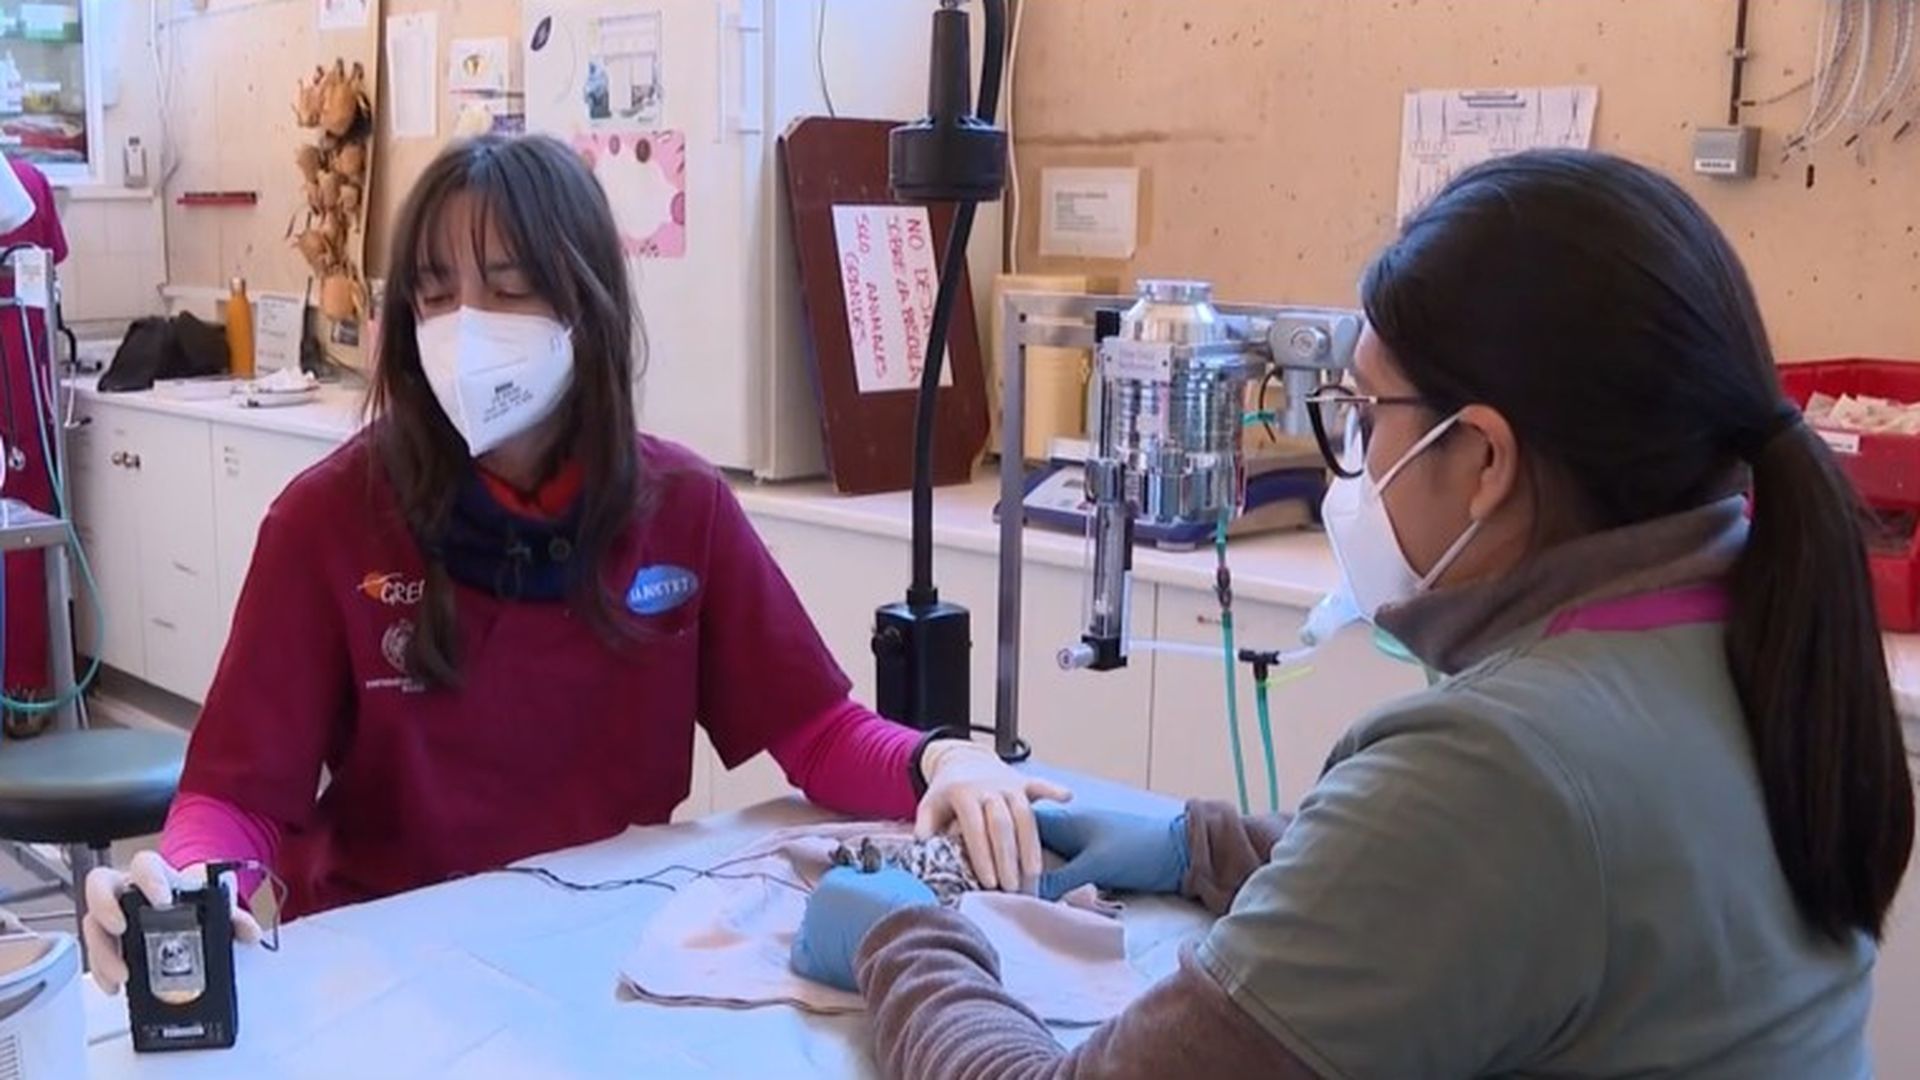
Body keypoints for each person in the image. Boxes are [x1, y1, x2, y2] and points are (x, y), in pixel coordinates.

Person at [789, 149, 1915, 1078]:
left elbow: (1488, 842)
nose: (1353, 461)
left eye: (1363, 415)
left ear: (1481, 456)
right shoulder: (1757, 630)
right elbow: (1511, 902)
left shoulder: (1499, 764)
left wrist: (908, 943)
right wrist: (1205, 846)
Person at [81, 134, 1067, 991]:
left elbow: (815, 731)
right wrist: (189, 885)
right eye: (434, 296)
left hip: (611, 946)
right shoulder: (327, 521)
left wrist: (944, 759)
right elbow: (236, 799)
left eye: (508, 290)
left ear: (585, 304)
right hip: (386, 954)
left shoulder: (684, 508)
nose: (467, 327)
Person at [0, 152, 67, 733]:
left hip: (17, 371)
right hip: (23, 368)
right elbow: (55, 267)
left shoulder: (24, 182)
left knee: (21, 529)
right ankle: (25, 685)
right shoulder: (29, 181)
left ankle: (23, 685)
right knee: (23, 529)